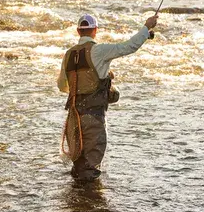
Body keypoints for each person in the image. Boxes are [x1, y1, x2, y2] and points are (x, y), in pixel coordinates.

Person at [57, 12, 159, 181]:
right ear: (95, 31)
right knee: (91, 168)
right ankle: (89, 204)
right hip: (93, 117)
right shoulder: (99, 50)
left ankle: (77, 203)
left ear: (78, 31)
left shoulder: (68, 54)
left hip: (73, 118)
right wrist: (146, 27)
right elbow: (129, 46)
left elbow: (62, 86)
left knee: (78, 164)